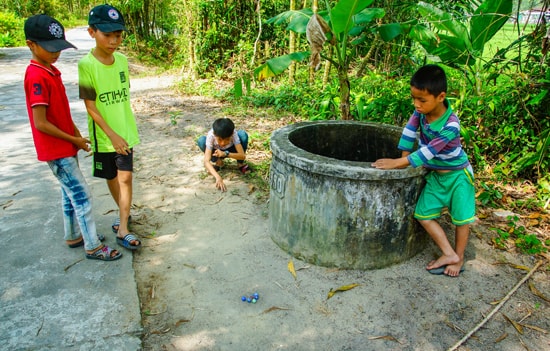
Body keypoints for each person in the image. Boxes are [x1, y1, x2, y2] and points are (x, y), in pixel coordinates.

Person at [23, 14, 121, 261]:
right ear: (31, 45)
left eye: (58, 48)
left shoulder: (50, 71)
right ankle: (93, 246)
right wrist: (74, 139)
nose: (56, 53)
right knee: (82, 196)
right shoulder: (36, 76)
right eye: (49, 48)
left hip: (66, 144)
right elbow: (41, 122)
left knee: (69, 193)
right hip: (56, 148)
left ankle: (74, 235)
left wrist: (76, 135)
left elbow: (60, 113)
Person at [372, 64, 475, 277]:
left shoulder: (451, 125)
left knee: (461, 219)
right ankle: (449, 254)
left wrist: (397, 164)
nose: (416, 104)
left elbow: (428, 152)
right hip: (437, 176)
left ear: (441, 97)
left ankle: (460, 257)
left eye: (422, 100)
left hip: (458, 177)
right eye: (413, 98)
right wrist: (402, 158)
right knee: (423, 214)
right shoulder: (420, 113)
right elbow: (409, 133)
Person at [78, 4, 141, 250]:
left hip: (125, 132)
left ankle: (123, 226)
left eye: (118, 35)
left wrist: (121, 133)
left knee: (126, 178)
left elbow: (123, 97)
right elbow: (91, 106)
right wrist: (111, 135)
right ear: (91, 32)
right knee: (113, 177)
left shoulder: (123, 61)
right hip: (105, 136)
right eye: (108, 35)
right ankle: (123, 212)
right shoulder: (87, 65)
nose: (114, 41)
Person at [197, 118, 250, 192]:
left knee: (242, 134)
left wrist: (226, 153)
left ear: (231, 134)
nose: (222, 143)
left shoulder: (233, 133)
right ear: (215, 135)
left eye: (227, 140)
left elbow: (242, 155)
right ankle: (218, 162)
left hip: (231, 150)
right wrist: (218, 177)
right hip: (216, 152)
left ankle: (240, 164)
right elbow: (206, 161)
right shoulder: (211, 135)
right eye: (220, 140)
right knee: (201, 141)